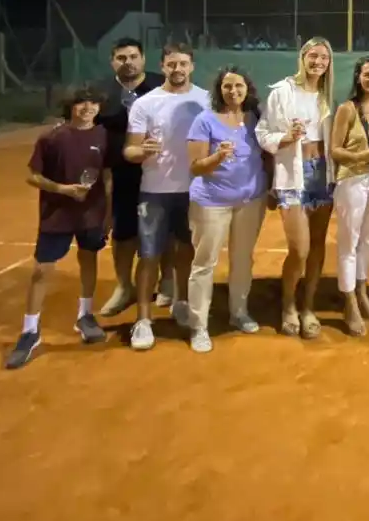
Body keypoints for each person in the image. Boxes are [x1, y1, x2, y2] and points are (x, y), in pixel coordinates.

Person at [5, 85, 111, 370]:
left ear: (99, 108)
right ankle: (30, 331)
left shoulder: (103, 136)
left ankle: (85, 316)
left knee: (88, 260)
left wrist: (108, 213)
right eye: (81, 103)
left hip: (91, 214)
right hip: (57, 215)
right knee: (41, 271)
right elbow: (33, 177)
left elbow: (107, 177)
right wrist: (63, 189)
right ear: (70, 106)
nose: (87, 108)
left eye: (92, 103)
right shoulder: (52, 137)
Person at [123, 42, 209, 351]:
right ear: (162, 66)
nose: (177, 69)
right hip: (154, 191)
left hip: (194, 191)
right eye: (171, 64)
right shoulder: (145, 103)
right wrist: (140, 151)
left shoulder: (205, 100)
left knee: (187, 252)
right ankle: (143, 319)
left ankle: (182, 302)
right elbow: (129, 149)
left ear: (192, 66)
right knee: (149, 256)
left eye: (183, 64)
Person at [184, 66, 270, 354]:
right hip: (211, 202)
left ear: (248, 89)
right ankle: (199, 326)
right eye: (227, 87)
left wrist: (269, 190)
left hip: (251, 201)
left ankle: (239, 312)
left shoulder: (255, 119)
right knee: (204, 263)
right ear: (219, 90)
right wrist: (218, 156)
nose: (233, 91)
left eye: (238, 86)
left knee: (243, 260)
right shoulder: (204, 121)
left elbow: (265, 157)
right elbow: (195, 167)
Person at [256, 37, 336, 340]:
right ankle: (288, 305)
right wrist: (285, 139)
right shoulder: (281, 92)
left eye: (324, 58)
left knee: (317, 248)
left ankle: (308, 307)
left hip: (322, 176)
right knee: (299, 249)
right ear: (302, 57)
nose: (318, 62)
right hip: (293, 175)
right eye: (313, 56)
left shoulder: (327, 96)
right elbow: (263, 132)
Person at [95, 37, 167, 318]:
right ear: (113, 61)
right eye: (122, 58)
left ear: (143, 59)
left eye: (133, 56)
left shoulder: (161, 87)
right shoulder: (102, 93)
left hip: (160, 171)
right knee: (123, 234)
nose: (128, 62)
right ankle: (124, 286)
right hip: (120, 175)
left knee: (163, 230)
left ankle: (165, 283)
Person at [329, 56, 369, 336]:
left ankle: (362, 291)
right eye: (366, 74)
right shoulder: (347, 109)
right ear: (358, 78)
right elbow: (335, 150)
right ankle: (349, 300)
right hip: (352, 180)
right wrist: (361, 156)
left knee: (368, 240)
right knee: (349, 241)